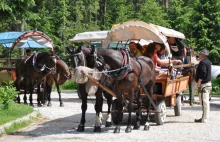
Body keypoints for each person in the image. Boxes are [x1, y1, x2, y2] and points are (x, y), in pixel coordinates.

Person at [194, 49, 212, 123]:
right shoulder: (208, 62)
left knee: (204, 102)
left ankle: (204, 119)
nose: (199, 55)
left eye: (200, 54)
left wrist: (199, 81)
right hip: (208, 83)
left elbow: (203, 73)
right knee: (205, 102)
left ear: (204, 55)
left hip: (204, 84)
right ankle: (204, 117)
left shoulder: (203, 62)